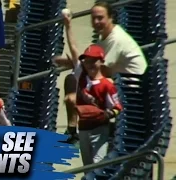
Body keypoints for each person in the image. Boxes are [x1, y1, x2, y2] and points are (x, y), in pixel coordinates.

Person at [53, 2, 147, 144]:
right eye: (93, 18)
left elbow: (99, 71)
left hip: (132, 89)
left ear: (110, 18)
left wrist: (74, 65)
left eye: (100, 18)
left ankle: (93, 130)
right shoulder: (104, 36)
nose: (96, 22)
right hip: (119, 82)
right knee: (71, 79)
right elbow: (90, 63)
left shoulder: (116, 39)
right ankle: (72, 130)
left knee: (80, 90)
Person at [75, 44, 122, 168]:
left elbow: (118, 108)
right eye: (87, 61)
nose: (89, 64)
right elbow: (74, 54)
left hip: (99, 129)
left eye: (93, 60)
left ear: (101, 61)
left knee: (97, 165)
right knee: (87, 166)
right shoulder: (82, 78)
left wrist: (106, 114)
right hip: (83, 128)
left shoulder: (107, 85)